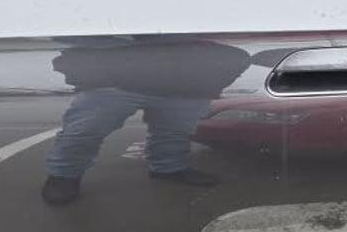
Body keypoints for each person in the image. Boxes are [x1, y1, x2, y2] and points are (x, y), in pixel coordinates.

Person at [41, 37, 251, 206]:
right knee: (84, 131)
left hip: (186, 82)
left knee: (175, 131)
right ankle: (63, 176)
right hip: (116, 79)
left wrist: (208, 83)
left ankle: (168, 167)